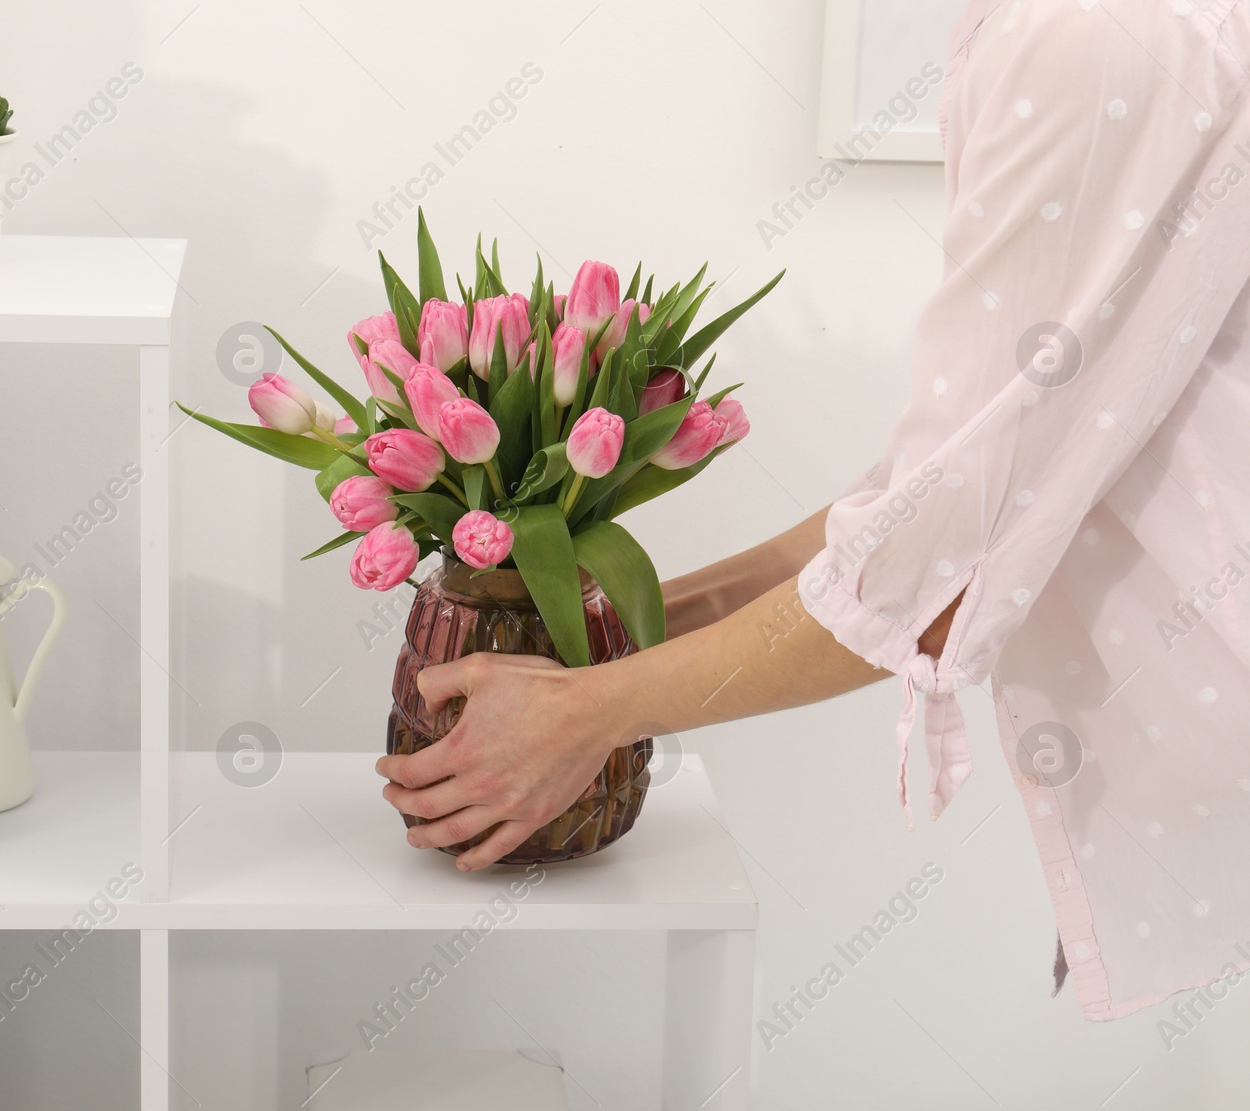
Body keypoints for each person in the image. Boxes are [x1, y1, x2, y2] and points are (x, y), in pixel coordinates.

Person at [378, 0, 1250, 1022]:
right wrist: (605, 642)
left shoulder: (1089, 37)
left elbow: (944, 559)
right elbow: (924, 501)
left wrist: (588, 712)